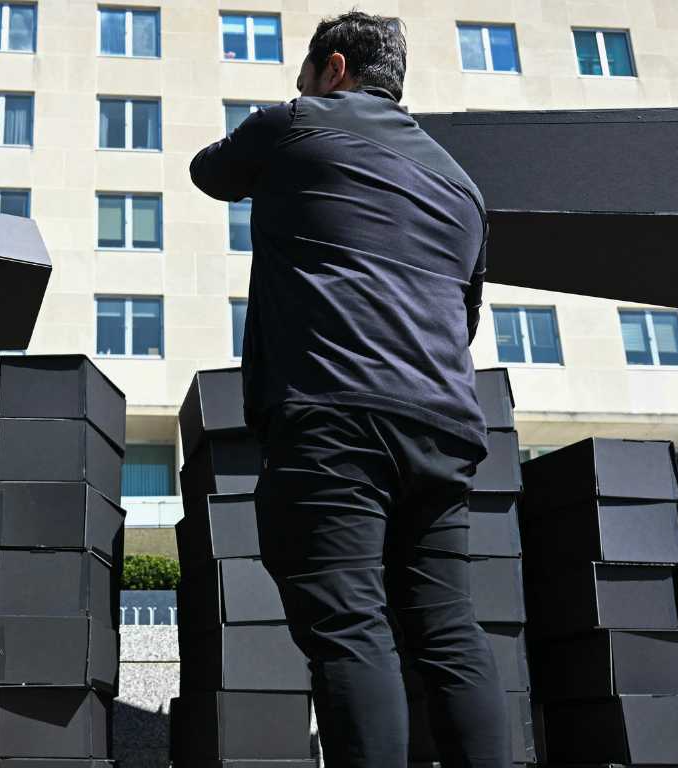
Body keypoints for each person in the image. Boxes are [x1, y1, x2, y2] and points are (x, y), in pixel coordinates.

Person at [189, 12, 507, 768]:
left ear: (334, 68)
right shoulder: (462, 185)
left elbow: (209, 173)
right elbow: (462, 320)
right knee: (446, 628)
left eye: (304, 71)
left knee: (349, 627)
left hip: (336, 413)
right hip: (445, 425)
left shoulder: (300, 122)